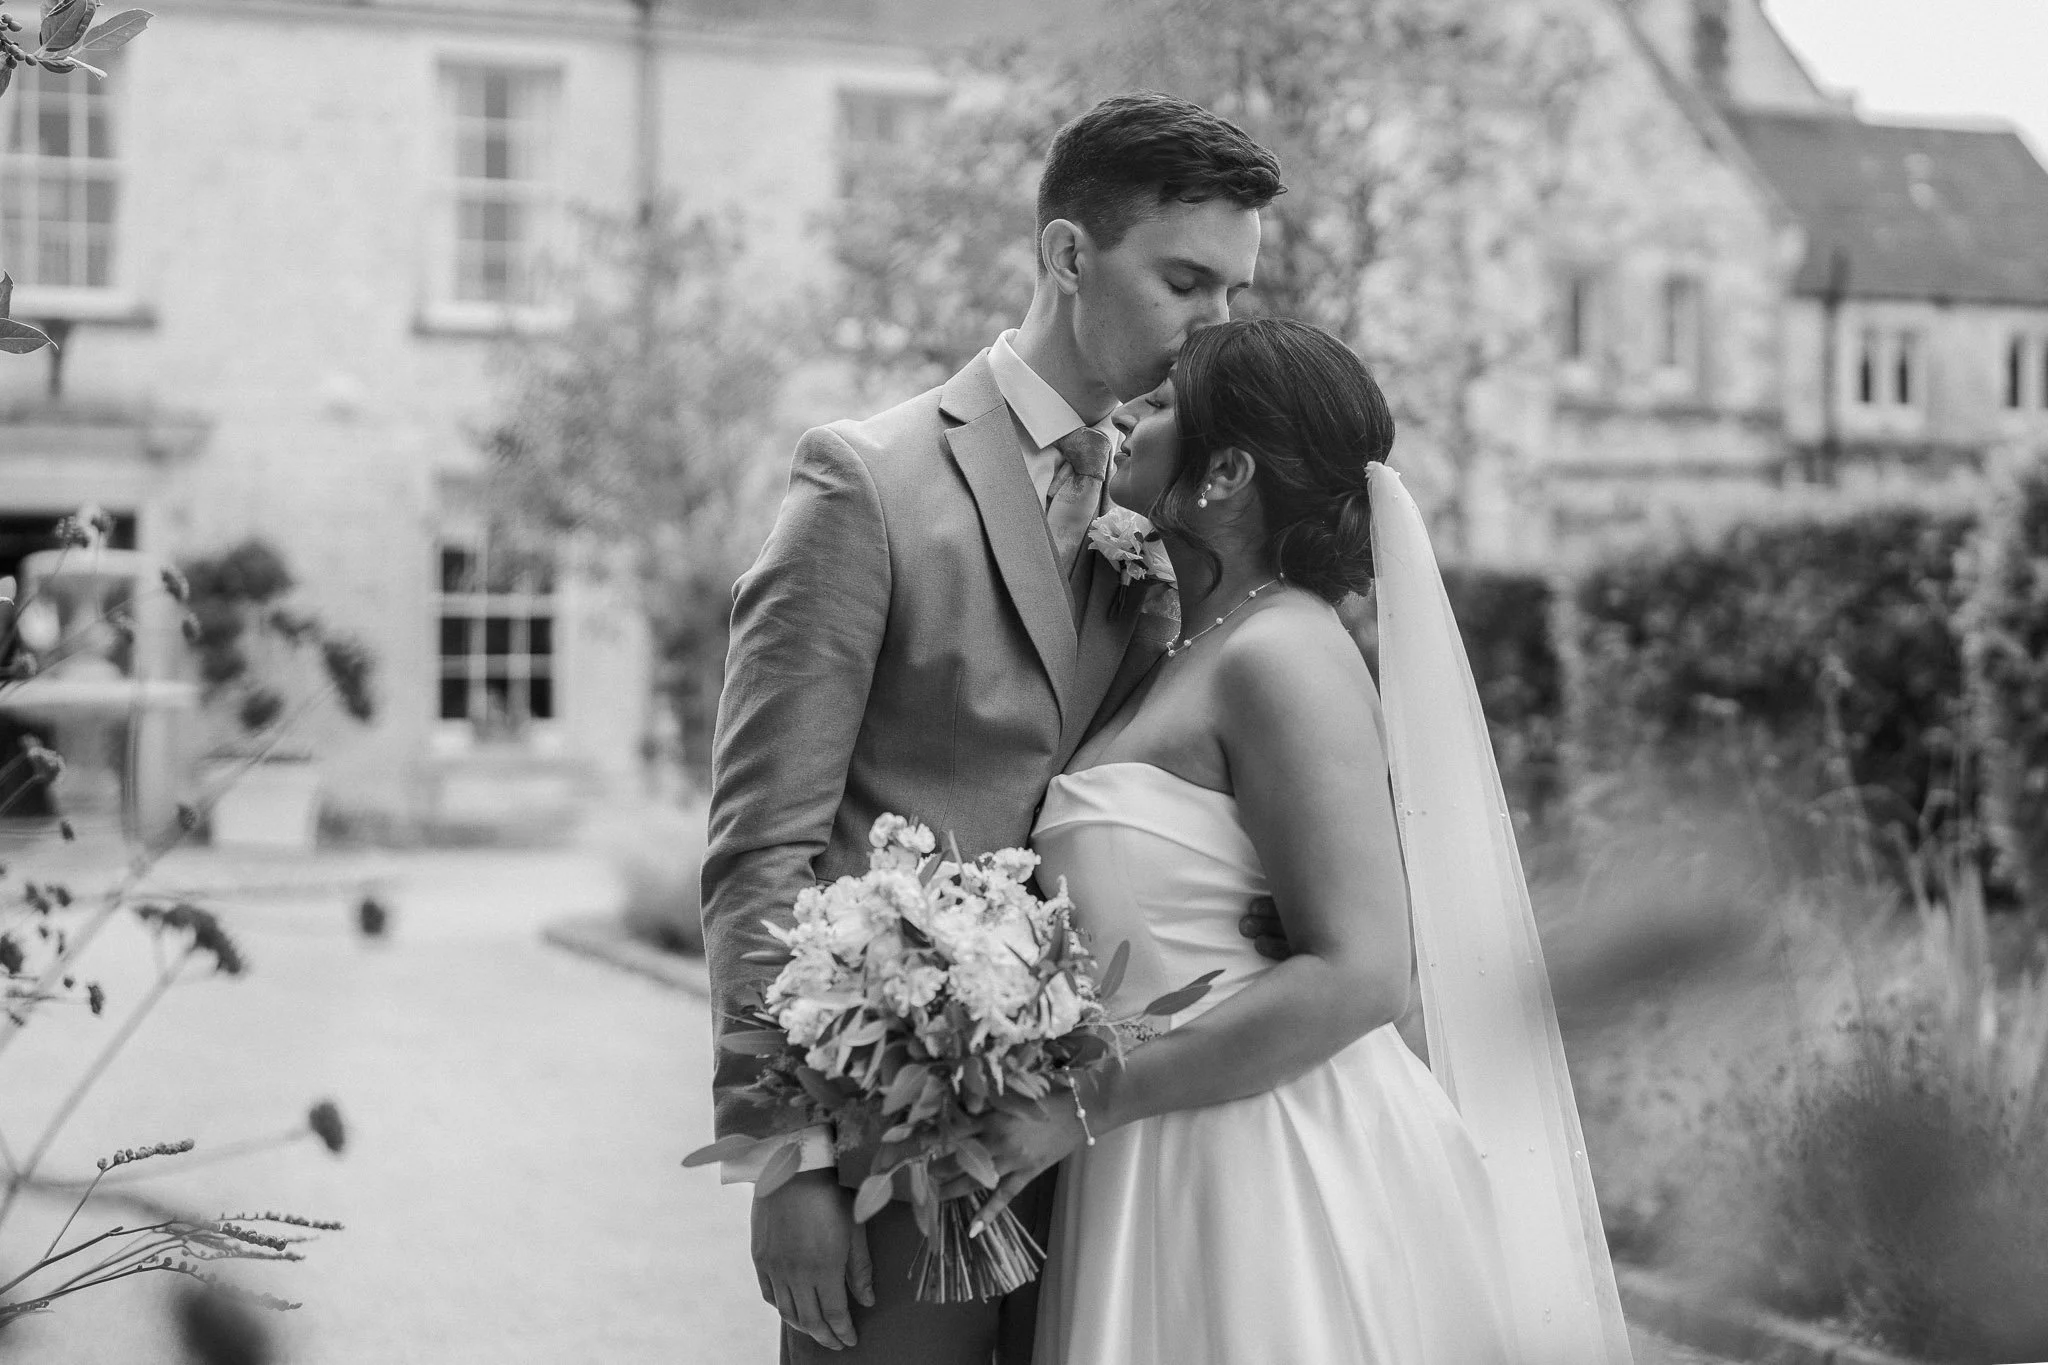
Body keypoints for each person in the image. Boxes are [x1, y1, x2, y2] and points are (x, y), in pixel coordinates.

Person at [698, 94, 1289, 1362]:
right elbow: (761, 850)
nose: (1213, 326)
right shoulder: (865, 482)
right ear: (1068, 256)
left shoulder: (1167, 515)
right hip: (891, 1138)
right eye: (1183, 282)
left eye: (1232, 292)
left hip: (1112, 1152)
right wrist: (783, 1158)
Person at [969, 317, 1635, 1364]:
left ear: (1226, 471)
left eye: (1163, 403)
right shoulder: (1184, 641)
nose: (1131, 413)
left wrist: (1085, 1101)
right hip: (1151, 1155)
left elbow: (1364, 973)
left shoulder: (1281, 655)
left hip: (1264, 1165)